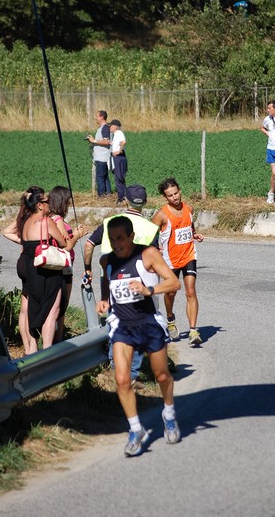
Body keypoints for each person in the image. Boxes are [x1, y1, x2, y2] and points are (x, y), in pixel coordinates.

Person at [96, 215, 181, 457]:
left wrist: (148, 290)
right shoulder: (106, 260)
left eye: (120, 238)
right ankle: (136, 429)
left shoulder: (148, 254)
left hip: (148, 323)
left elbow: (174, 282)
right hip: (123, 326)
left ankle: (169, 413)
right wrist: (104, 299)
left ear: (132, 236)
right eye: (112, 240)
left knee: (162, 375)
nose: (116, 244)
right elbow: (106, 278)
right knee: (122, 381)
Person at [84, 184, 159, 387]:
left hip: (110, 279)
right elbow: (156, 259)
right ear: (144, 203)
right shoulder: (151, 228)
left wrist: (87, 268)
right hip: (138, 281)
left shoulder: (110, 222)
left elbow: (89, 244)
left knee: (115, 321)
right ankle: (130, 372)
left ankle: (116, 367)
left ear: (125, 200)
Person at [19, 189, 87, 349]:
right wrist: (76, 235)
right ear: (40, 205)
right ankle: (47, 351)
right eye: (47, 202)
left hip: (29, 269)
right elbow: (65, 245)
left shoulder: (26, 221)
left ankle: (32, 350)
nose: (51, 204)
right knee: (52, 311)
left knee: (33, 309)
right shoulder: (46, 221)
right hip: (46, 271)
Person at [152, 177, 204, 346]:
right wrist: (154, 252)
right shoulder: (161, 214)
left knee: (191, 291)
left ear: (180, 191)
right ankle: (170, 319)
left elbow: (190, 227)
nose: (174, 197)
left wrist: (194, 234)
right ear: (165, 197)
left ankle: (193, 330)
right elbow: (149, 235)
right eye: (170, 195)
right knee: (171, 293)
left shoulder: (189, 208)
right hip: (170, 260)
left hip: (189, 255)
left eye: (176, 193)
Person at [2, 186, 45, 355]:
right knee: (35, 305)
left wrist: (23, 242)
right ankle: (34, 346)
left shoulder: (23, 216)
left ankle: (27, 347)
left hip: (22, 262)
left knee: (24, 308)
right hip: (33, 262)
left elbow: (6, 232)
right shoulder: (38, 218)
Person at [48, 185, 90, 342]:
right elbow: (67, 245)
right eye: (67, 202)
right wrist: (77, 235)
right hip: (63, 266)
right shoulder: (57, 220)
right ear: (62, 202)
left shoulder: (49, 217)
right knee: (61, 306)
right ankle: (57, 341)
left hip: (56, 265)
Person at [85, 110, 111, 197]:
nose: (95, 118)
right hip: (101, 156)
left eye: (97, 116)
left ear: (101, 117)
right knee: (104, 177)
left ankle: (101, 195)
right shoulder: (102, 128)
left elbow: (107, 141)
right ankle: (108, 194)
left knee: (100, 177)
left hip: (102, 157)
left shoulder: (105, 128)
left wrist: (94, 140)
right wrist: (92, 141)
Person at [109, 119, 127, 205]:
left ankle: (121, 198)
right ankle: (123, 197)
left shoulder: (119, 133)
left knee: (119, 178)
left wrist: (119, 151)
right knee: (119, 177)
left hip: (119, 157)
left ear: (115, 126)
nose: (110, 127)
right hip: (118, 157)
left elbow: (123, 142)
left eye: (111, 125)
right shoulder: (116, 134)